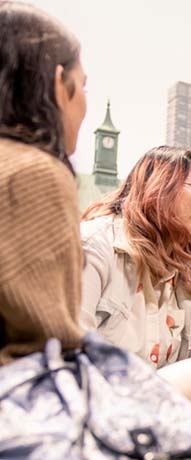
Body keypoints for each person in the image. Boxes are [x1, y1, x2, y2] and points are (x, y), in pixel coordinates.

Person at [80, 146, 191, 438]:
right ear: (158, 186)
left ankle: (172, 448)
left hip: (150, 406)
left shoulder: (184, 272)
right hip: (93, 403)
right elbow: (62, 354)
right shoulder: (94, 245)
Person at [0, 2, 87, 364]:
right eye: (82, 85)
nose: (84, 101)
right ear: (57, 84)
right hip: (20, 400)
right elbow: (51, 341)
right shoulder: (35, 173)